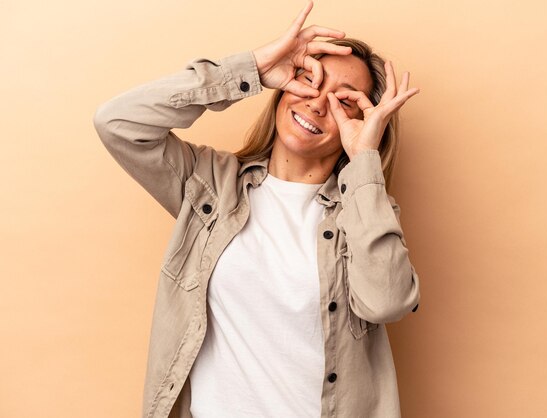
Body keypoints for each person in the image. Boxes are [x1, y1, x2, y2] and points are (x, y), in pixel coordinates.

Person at [93, 1, 420, 417]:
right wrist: (251, 70)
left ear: (365, 121)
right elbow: (116, 123)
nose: (317, 104)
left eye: (344, 102)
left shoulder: (364, 209)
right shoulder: (211, 184)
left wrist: (365, 161)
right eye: (307, 80)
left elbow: (387, 302)